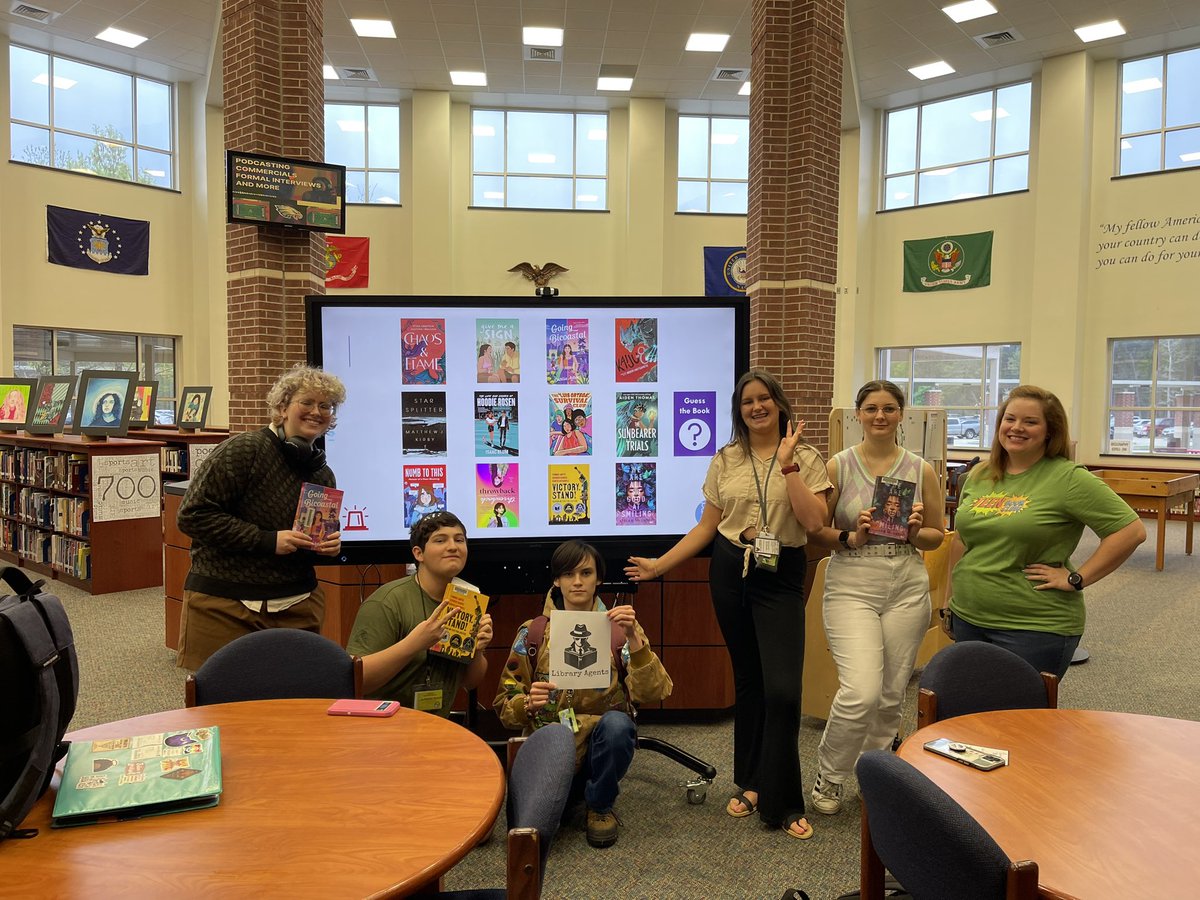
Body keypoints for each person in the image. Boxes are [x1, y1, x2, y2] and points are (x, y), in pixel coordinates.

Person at [625, 370, 830, 840]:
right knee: (750, 681)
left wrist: (788, 465)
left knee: (783, 691)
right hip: (730, 569)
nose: (756, 407)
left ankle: (784, 799)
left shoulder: (807, 457)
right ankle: (752, 782)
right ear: (739, 411)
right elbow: (707, 526)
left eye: (764, 399)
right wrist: (660, 567)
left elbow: (815, 522)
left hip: (780, 574)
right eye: (747, 402)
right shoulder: (726, 458)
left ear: (779, 403)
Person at [806, 380, 945, 816]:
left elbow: (936, 536)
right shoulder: (838, 466)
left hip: (906, 580)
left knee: (889, 692)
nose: (879, 416)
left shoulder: (920, 469)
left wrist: (910, 531)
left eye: (888, 408)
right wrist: (854, 534)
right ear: (858, 415)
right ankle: (830, 773)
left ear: (901, 414)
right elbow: (817, 533)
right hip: (852, 580)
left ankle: (875, 770)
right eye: (870, 408)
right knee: (861, 690)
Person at [947, 385, 1145, 679]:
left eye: (1030, 421)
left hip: (1034, 626)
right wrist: (948, 602)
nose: (1017, 428)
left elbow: (1130, 531)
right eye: (1010, 419)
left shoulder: (1068, 478)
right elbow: (961, 541)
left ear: (1050, 431)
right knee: (973, 714)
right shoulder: (979, 475)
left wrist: (1076, 579)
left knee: (1019, 720)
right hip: (968, 616)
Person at [495, 540, 672, 848]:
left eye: (586, 573)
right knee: (536, 836)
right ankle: (567, 797)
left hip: (599, 751)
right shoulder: (533, 633)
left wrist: (635, 640)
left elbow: (655, 691)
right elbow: (504, 705)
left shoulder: (620, 630)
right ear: (556, 580)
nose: (577, 582)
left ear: (598, 579)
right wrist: (527, 704)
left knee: (618, 725)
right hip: (552, 747)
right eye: (568, 574)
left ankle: (600, 806)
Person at [175, 364, 346, 670]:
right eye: (306, 402)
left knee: (293, 704)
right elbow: (192, 515)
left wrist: (329, 548)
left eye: (325, 406)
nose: (316, 412)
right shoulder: (243, 450)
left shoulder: (322, 474)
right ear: (282, 407)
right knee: (221, 707)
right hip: (223, 604)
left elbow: (309, 546)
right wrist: (267, 540)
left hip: (297, 605)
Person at [347, 511, 493, 715]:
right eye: (440, 540)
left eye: (459, 540)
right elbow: (356, 679)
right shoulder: (387, 601)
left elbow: (469, 682)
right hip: (382, 727)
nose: (453, 546)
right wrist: (415, 643)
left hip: (436, 727)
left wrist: (477, 650)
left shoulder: (469, 600)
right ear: (418, 554)